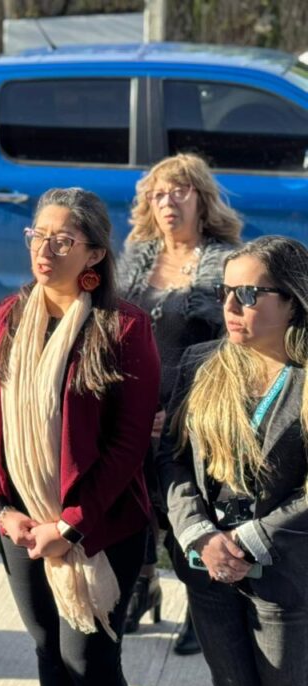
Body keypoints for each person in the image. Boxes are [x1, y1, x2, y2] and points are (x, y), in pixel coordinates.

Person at [0, 188, 160, 686]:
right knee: (48, 652)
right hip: (20, 523)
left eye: (62, 240)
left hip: (98, 527)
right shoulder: (8, 316)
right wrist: (1, 508)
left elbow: (128, 446)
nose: (44, 250)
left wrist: (71, 526)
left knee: (90, 659)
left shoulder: (124, 328)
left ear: (95, 254)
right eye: (38, 236)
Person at [158, 235, 308, 686]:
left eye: (249, 293)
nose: (231, 306)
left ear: (291, 299)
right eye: (226, 291)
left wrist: (249, 539)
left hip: (286, 571)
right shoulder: (202, 362)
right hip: (208, 566)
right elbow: (172, 461)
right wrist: (199, 533)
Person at [118, 153, 243, 650]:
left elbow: (235, 351)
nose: (168, 202)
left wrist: (186, 412)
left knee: (186, 508)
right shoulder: (136, 259)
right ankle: (143, 587)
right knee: (134, 505)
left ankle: (201, 601)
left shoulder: (226, 263)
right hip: (134, 407)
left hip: (194, 408)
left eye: (180, 192)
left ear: (202, 199)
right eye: (159, 194)